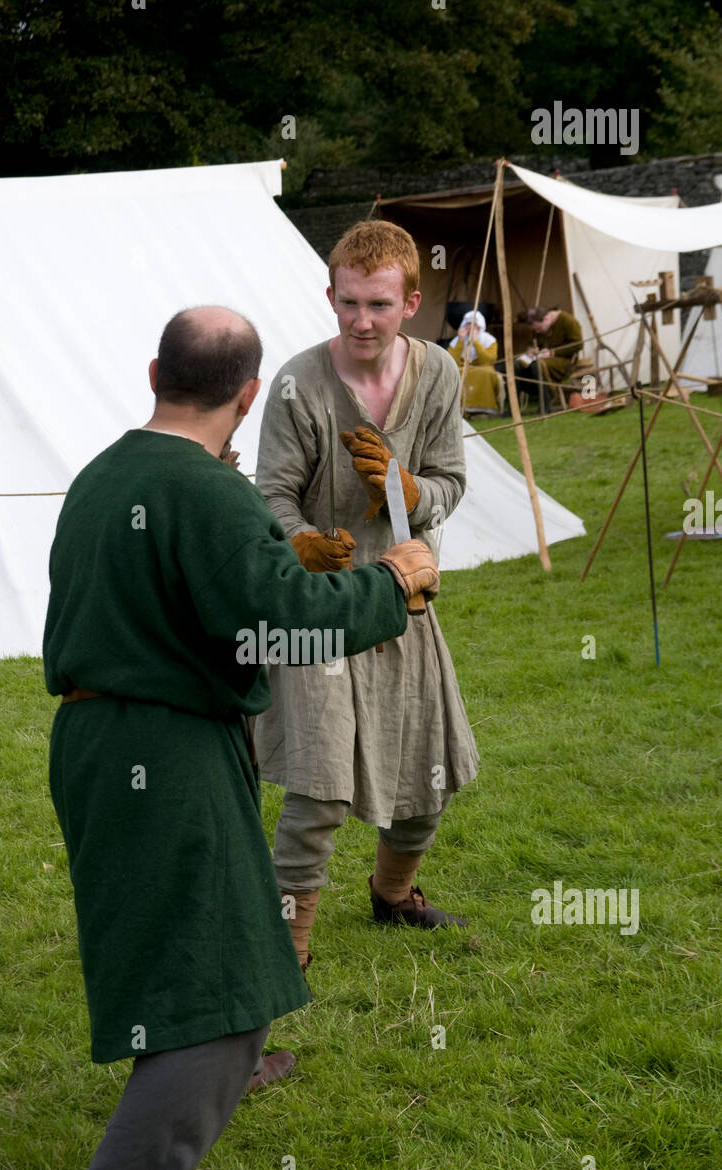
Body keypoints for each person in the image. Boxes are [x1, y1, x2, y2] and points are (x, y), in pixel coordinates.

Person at [43, 304, 439, 1170]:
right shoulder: (205, 489)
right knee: (203, 961)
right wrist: (393, 580)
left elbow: (204, 596)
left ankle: (227, 1062)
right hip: (161, 748)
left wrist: (276, 557)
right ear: (251, 393)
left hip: (105, 737)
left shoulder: (105, 474)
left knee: (208, 929)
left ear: (152, 374)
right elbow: (288, 622)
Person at [255, 221, 480, 974]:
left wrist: (409, 488)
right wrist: (301, 544)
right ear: (329, 294)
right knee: (318, 791)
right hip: (318, 612)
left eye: (378, 305)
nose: (360, 320)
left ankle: (393, 896)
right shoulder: (296, 383)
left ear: (410, 302)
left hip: (403, 597)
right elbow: (271, 496)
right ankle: (286, 950)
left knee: (427, 780)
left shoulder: (441, 376)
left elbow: (449, 481)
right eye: (347, 302)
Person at [515, 305, 583, 407]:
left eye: (538, 328)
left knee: (537, 365)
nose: (537, 331)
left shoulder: (567, 321)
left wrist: (553, 353)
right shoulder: (539, 325)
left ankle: (546, 401)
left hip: (565, 361)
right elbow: (532, 342)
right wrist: (531, 350)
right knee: (517, 364)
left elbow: (578, 344)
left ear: (546, 319)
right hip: (543, 358)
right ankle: (515, 406)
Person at [447, 309, 503, 414]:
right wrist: (460, 341)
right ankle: (460, 409)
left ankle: (485, 410)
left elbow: (488, 360)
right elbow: (450, 361)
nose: (470, 327)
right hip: (464, 367)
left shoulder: (489, 340)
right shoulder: (456, 340)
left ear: (480, 326)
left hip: (483, 367)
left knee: (486, 373)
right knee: (456, 373)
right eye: (468, 324)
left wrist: (476, 341)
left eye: (474, 325)